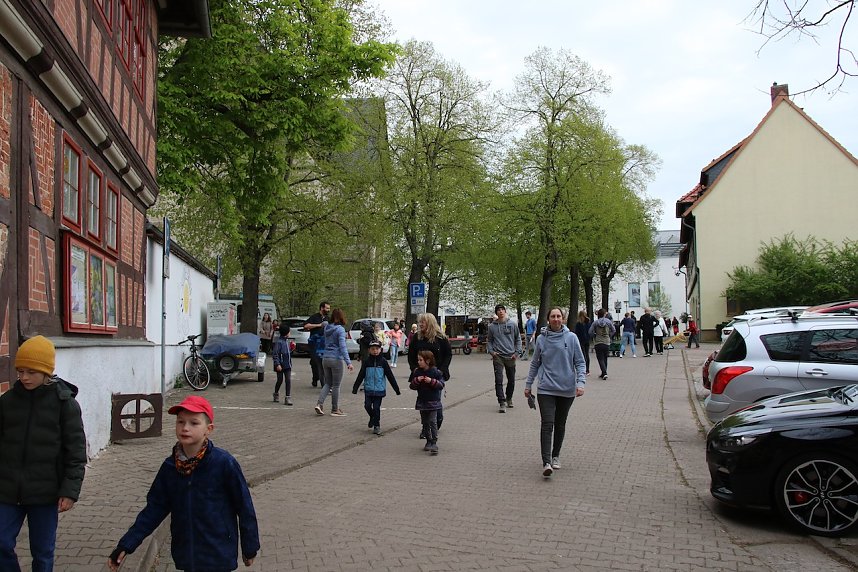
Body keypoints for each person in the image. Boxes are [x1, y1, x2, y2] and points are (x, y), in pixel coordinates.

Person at [107, 396, 259, 571]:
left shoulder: (224, 464)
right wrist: (126, 544)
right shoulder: (170, 467)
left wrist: (250, 547)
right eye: (180, 422)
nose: (185, 428)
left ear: (208, 429)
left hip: (218, 553)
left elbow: (244, 506)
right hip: (187, 554)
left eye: (194, 423)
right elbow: (154, 509)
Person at [0, 335, 86, 572]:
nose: (24, 377)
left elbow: (76, 451)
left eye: (31, 372)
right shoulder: (7, 402)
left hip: (46, 493)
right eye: (20, 371)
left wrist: (70, 491)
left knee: (42, 554)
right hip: (7, 491)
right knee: (1, 544)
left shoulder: (64, 404)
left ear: (46, 372)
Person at [524, 307, 586, 478]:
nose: (556, 319)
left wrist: (580, 383)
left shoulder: (571, 338)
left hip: (567, 389)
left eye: (559, 316)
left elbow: (580, 362)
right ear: (548, 319)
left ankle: (556, 455)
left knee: (560, 424)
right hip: (546, 388)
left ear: (563, 319)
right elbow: (535, 363)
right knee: (547, 424)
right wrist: (528, 384)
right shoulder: (541, 339)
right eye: (553, 316)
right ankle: (546, 462)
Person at [407, 313, 452, 433]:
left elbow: (448, 355)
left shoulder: (440, 338)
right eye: (420, 322)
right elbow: (411, 355)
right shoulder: (417, 337)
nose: (420, 324)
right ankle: (426, 427)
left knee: (435, 399)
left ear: (430, 323)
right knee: (423, 400)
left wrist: (442, 370)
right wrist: (414, 369)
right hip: (421, 373)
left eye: (423, 322)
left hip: (436, 374)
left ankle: (437, 421)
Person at [352, 340, 400, 435]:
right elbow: (361, 375)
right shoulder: (366, 362)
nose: (375, 351)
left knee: (377, 407)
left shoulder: (383, 362)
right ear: (369, 350)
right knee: (367, 406)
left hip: (379, 389)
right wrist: (355, 387)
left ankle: (376, 425)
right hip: (368, 389)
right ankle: (373, 418)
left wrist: (396, 389)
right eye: (373, 349)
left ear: (380, 350)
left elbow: (390, 376)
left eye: (377, 349)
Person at [315, 308, 353, 416]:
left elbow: (324, 324)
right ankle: (335, 409)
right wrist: (348, 362)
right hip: (336, 359)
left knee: (328, 383)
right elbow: (342, 346)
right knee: (336, 385)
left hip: (325, 358)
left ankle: (319, 404)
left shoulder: (327, 327)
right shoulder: (340, 330)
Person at [409, 350, 445, 455]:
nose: (419, 362)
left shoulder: (435, 372)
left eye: (421, 360)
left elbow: (441, 385)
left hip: (433, 402)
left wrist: (431, 381)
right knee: (425, 422)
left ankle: (434, 442)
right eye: (418, 360)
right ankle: (428, 441)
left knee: (432, 421)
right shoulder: (417, 372)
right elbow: (412, 386)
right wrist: (417, 380)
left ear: (428, 361)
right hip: (422, 401)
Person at [487, 304, 521, 413]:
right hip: (498, 356)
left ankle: (509, 397)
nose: (500, 312)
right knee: (499, 379)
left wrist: (517, 352)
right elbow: (490, 341)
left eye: (502, 310)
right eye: (498, 310)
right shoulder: (492, 327)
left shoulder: (512, 324)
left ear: (505, 311)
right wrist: (492, 352)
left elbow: (518, 339)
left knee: (511, 380)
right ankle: (501, 402)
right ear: (496, 313)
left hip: (511, 356)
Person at [304, 301, 330, 387]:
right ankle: (315, 378)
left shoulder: (328, 318)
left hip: (325, 344)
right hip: (314, 343)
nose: (328, 310)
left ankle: (324, 381)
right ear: (322, 308)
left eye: (329, 308)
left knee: (323, 362)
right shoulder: (314, 317)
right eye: (327, 308)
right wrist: (319, 325)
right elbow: (306, 326)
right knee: (314, 362)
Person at [588, 309, 616, 380]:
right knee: (605, 358)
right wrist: (609, 335)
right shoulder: (608, 321)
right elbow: (614, 330)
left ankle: (604, 373)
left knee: (600, 358)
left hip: (598, 342)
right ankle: (604, 373)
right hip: (606, 342)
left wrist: (594, 335)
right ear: (604, 314)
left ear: (598, 315)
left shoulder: (595, 323)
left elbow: (590, 332)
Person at [272, 323, 293, 405]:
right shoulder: (279, 342)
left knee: (288, 380)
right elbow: (275, 354)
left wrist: (291, 348)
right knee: (280, 380)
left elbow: (287, 353)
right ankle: (276, 393)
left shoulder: (286, 341)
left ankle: (288, 397)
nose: (290, 333)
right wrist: (277, 364)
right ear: (286, 333)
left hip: (287, 365)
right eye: (289, 332)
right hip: (280, 365)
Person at [573, 310, 592, 375]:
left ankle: (583, 369)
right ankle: (587, 370)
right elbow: (590, 331)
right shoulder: (588, 323)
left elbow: (576, 332)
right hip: (587, 340)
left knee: (583, 355)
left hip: (580, 340)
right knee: (587, 354)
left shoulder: (578, 323)